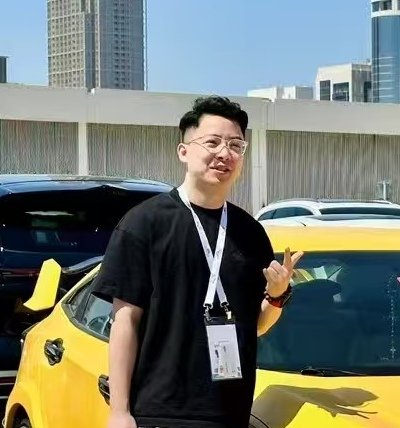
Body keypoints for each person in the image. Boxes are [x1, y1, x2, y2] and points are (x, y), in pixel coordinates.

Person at [94, 96, 303, 428]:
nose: (225, 153)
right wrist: (119, 411)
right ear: (184, 151)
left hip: (230, 413)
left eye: (236, 145)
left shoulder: (250, 233)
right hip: (158, 412)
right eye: (213, 142)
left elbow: (255, 326)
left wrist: (276, 295)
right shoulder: (144, 223)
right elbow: (125, 322)